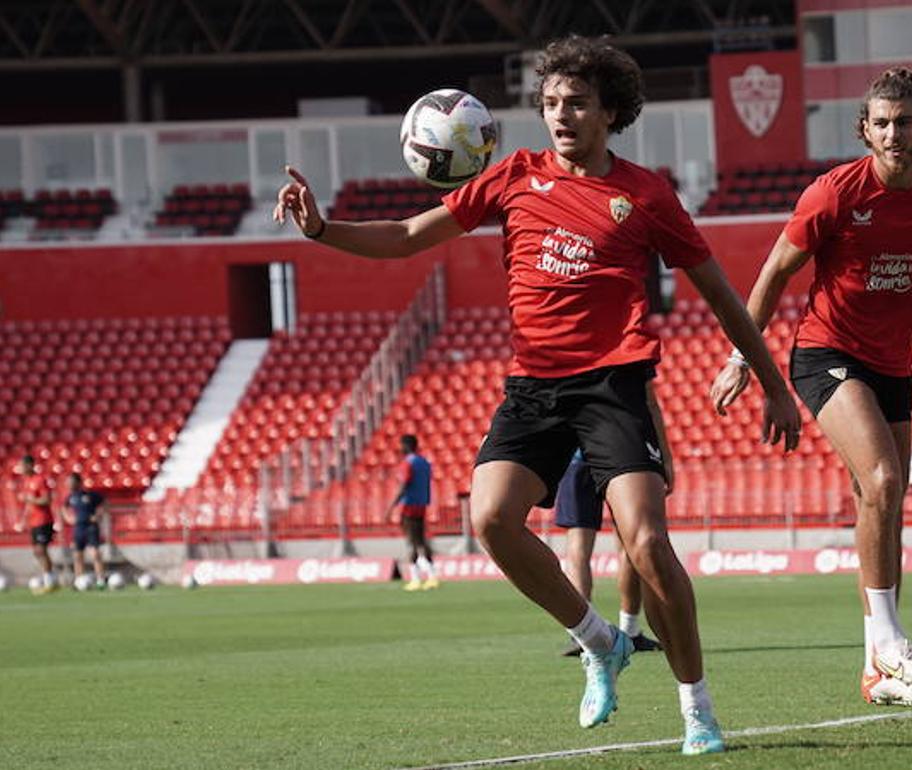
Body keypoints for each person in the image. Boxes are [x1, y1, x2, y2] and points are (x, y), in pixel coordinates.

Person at [274, 34, 801, 755]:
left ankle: (697, 706)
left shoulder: (645, 195)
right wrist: (321, 229)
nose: (560, 115)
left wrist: (771, 383)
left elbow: (720, 295)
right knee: (491, 519)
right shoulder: (514, 177)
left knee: (646, 544)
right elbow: (404, 236)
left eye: (577, 103)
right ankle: (598, 641)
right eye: (551, 103)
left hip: (614, 384)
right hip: (534, 386)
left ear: (609, 111)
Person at [711, 68, 912, 707]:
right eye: (880, 122)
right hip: (826, 354)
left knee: (883, 506)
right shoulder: (832, 194)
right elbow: (771, 276)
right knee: (883, 480)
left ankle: (878, 671)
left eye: (903, 121)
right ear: (865, 131)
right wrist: (744, 358)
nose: (892, 133)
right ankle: (891, 643)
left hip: (893, 363)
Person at [556, 377, 672, 656]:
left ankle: (583, 634)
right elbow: (650, 404)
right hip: (620, 453)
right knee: (629, 545)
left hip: (575, 457)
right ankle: (629, 629)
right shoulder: (623, 351)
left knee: (578, 551)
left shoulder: (568, 353)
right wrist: (665, 458)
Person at [387, 434, 438, 591]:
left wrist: (390, 507)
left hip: (409, 507)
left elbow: (403, 486)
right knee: (420, 541)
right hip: (422, 505)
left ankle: (420, 577)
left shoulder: (407, 463)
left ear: (406, 446)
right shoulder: (425, 463)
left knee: (413, 543)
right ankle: (430, 576)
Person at [17, 455, 57, 593]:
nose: (20, 469)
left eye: (21, 466)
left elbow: (47, 500)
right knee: (37, 552)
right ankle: (51, 578)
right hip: (33, 521)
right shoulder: (26, 482)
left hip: (43, 520)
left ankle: (49, 582)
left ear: (29, 465)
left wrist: (31, 499)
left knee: (41, 550)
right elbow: (29, 504)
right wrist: (23, 520)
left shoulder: (40, 480)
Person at [62, 472, 108, 590]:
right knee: (77, 555)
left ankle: (101, 580)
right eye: (68, 482)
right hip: (78, 528)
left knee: (95, 554)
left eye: (71, 481)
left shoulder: (89, 495)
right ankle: (79, 580)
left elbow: (103, 503)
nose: (69, 484)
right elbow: (63, 508)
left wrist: (98, 515)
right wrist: (68, 518)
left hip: (91, 527)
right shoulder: (70, 497)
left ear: (78, 482)